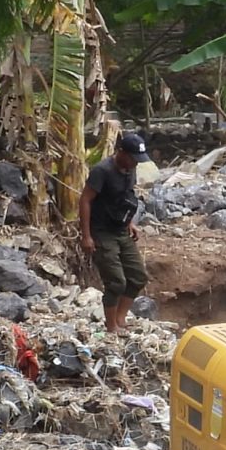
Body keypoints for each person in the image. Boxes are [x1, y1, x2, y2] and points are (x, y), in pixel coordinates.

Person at [81, 130, 150, 333]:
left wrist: (130, 223)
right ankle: (111, 326)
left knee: (138, 276)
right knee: (116, 282)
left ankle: (121, 319)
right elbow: (85, 200)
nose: (135, 163)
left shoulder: (130, 169)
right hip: (102, 232)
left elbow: (124, 198)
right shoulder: (102, 171)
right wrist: (86, 236)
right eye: (133, 158)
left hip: (121, 229)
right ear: (121, 152)